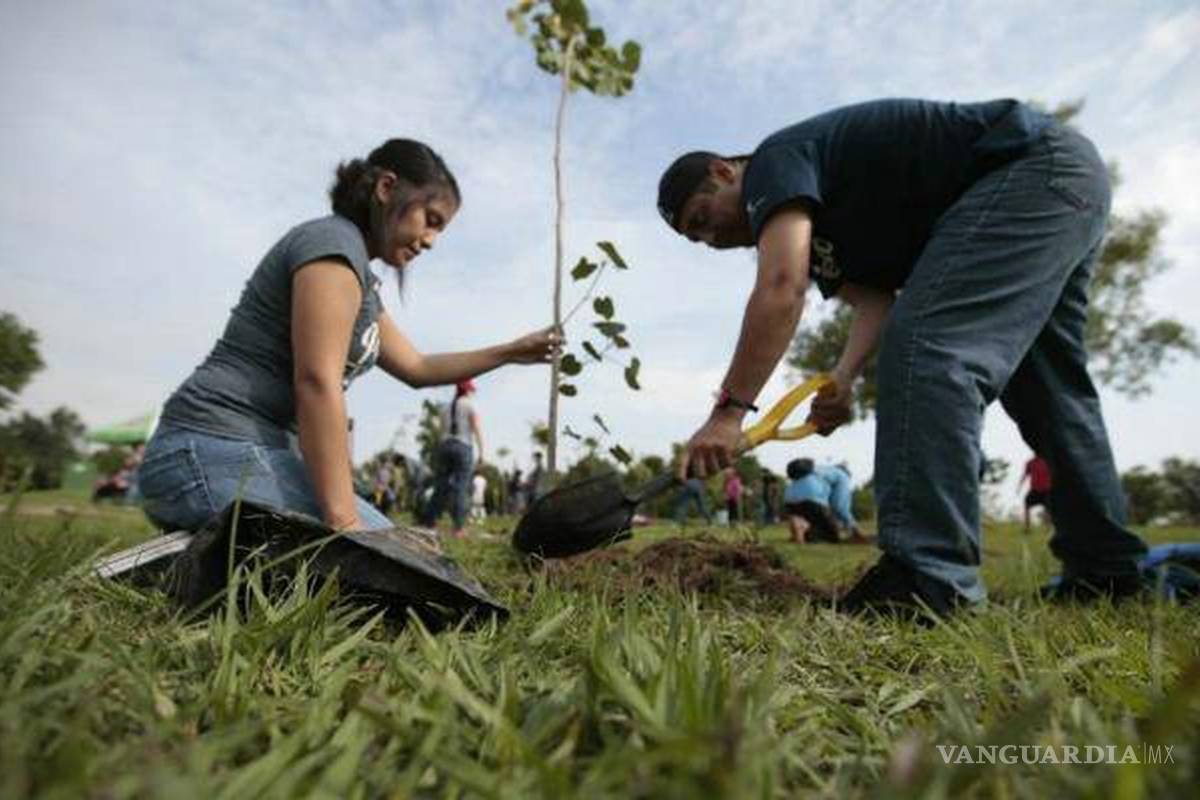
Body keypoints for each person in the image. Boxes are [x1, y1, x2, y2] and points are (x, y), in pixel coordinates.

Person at [659, 98, 1148, 616]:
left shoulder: (775, 163)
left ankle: (930, 576)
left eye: (704, 217)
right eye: (699, 238)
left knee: (931, 346)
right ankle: (1105, 571)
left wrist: (729, 412)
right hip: (1064, 184)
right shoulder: (823, 225)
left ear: (723, 171)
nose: (713, 238)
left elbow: (783, 286)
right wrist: (843, 378)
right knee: (1048, 390)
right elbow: (874, 302)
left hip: (1026, 169)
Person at [138, 139, 559, 534]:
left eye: (440, 231)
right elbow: (317, 381)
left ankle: (200, 556)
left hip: (258, 455)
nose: (430, 241)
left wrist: (510, 352)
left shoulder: (360, 280)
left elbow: (418, 366)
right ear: (387, 187)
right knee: (380, 565)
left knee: (402, 554)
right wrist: (344, 525)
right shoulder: (333, 245)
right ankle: (185, 565)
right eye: (429, 221)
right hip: (205, 446)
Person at [420, 380, 484, 537]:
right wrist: (482, 451)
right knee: (461, 486)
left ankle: (429, 523)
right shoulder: (469, 405)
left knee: (440, 486)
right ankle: (459, 528)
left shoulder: (445, 408)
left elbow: (441, 430)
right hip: (463, 446)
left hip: (445, 446)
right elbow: (475, 428)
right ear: (467, 391)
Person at [782, 458, 840, 543]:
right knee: (833, 536)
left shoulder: (798, 477)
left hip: (789, 500)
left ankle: (799, 527)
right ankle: (804, 527)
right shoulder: (832, 475)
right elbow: (838, 503)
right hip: (811, 501)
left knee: (813, 522)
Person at [1018, 454, 1053, 534]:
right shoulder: (1030, 462)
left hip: (1046, 490)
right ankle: (1027, 528)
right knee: (1027, 505)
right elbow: (1025, 475)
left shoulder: (1048, 462)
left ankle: (1048, 529)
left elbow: (1053, 474)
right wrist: (1020, 485)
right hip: (1035, 490)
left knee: (1048, 510)